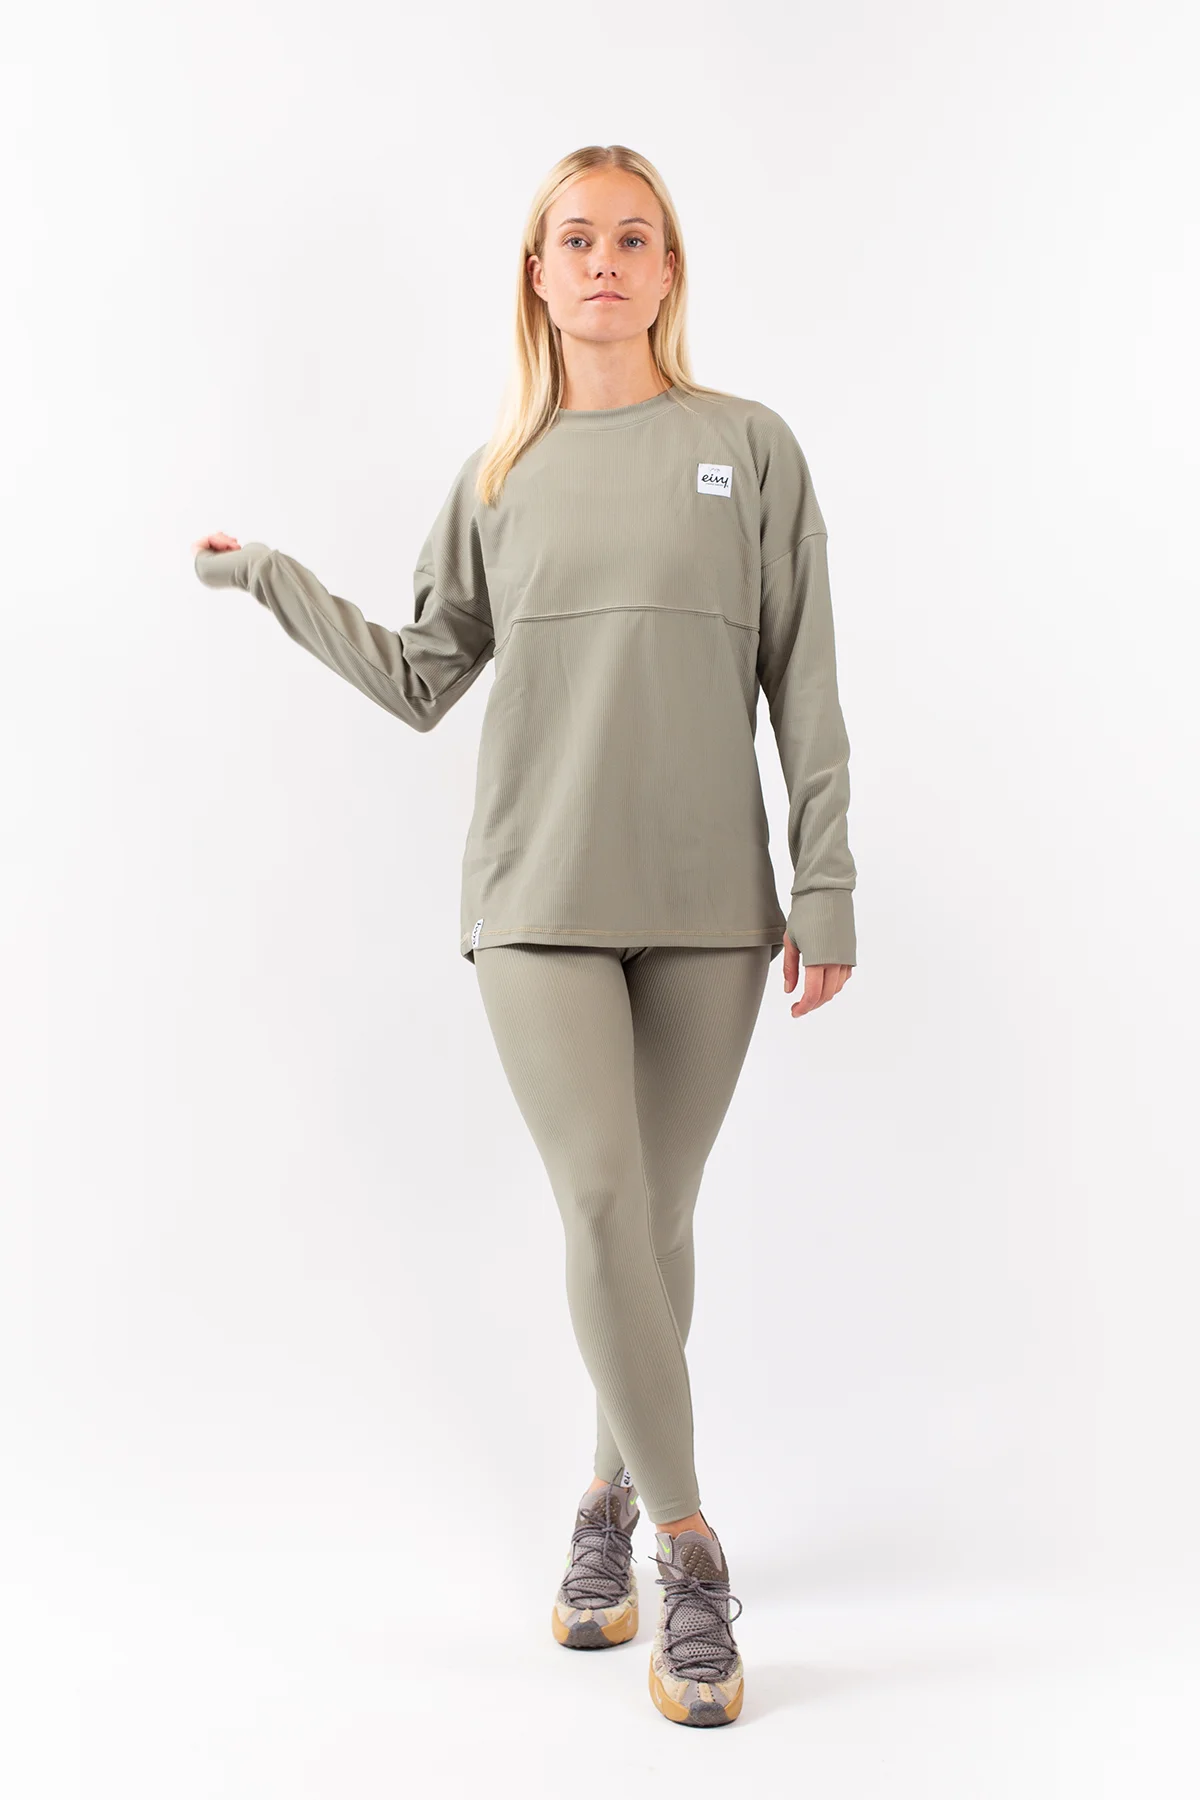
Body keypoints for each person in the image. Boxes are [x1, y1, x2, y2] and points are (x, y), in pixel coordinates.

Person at [190, 143, 857, 1729]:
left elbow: (807, 682)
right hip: (536, 901)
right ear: (539, 277)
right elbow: (425, 678)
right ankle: (691, 1554)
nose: (605, 261)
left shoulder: (749, 447)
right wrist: (275, 580)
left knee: (658, 1223)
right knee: (604, 1200)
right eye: (577, 239)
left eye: (635, 237)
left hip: (709, 907)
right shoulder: (497, 477)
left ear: (669, 270)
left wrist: (825, 882)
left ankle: (604, 1507)